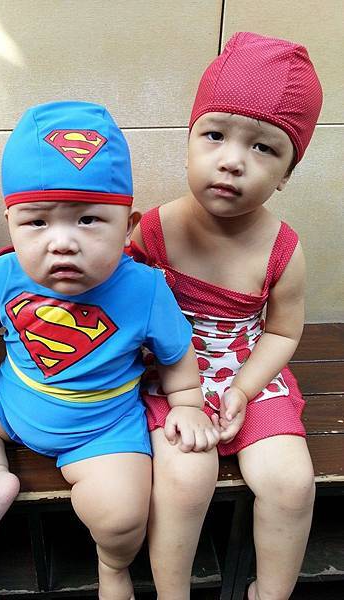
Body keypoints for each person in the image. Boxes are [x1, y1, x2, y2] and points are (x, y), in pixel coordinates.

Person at [0, 100, 220, 600]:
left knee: (122, 515)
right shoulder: (2, 276)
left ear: (127, 226)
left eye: (88, 220)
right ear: (10, 222)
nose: (62, 242)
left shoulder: (145, 290)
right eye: (37, 222)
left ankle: (112, 566)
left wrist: (188, 404)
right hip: (10, 400)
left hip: (101, 428)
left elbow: (177, 356)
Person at [131, 32, 323, 600]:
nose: (232, 161)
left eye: (264, 148)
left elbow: (283, 330)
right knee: (187, 479)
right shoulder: (155, 230)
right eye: (214, 135)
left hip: (247, 375)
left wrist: (244, 386)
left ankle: (271, 592)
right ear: (189, 142)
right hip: (169, 376)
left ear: (287, 173)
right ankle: (172, 593)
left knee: (292, 483)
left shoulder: (283, 249)